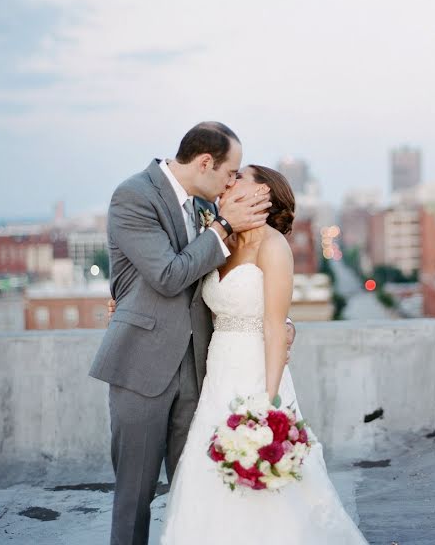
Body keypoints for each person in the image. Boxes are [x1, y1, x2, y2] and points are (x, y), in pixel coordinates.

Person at [89, 122, 294, 545]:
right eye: (229, 172)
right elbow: (167, 275)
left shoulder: (209, 208)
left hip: (202, 373)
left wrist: (282, 324)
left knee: (198, 494)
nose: (232, 182)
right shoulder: (135, 196)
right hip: (142, 367)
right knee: (135, 497)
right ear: (205, 163)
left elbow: (232, 285)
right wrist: (221, 227)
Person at [159, 165, 368, 544]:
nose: (229, 180)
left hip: (258, 372)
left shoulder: (274, 246)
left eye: (239, 176)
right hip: (216, 375)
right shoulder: (218, 240)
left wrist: (269, 406)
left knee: (266, 471)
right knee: (207, 473)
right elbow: (178, 282)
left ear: (262, 195)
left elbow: (273, 326)